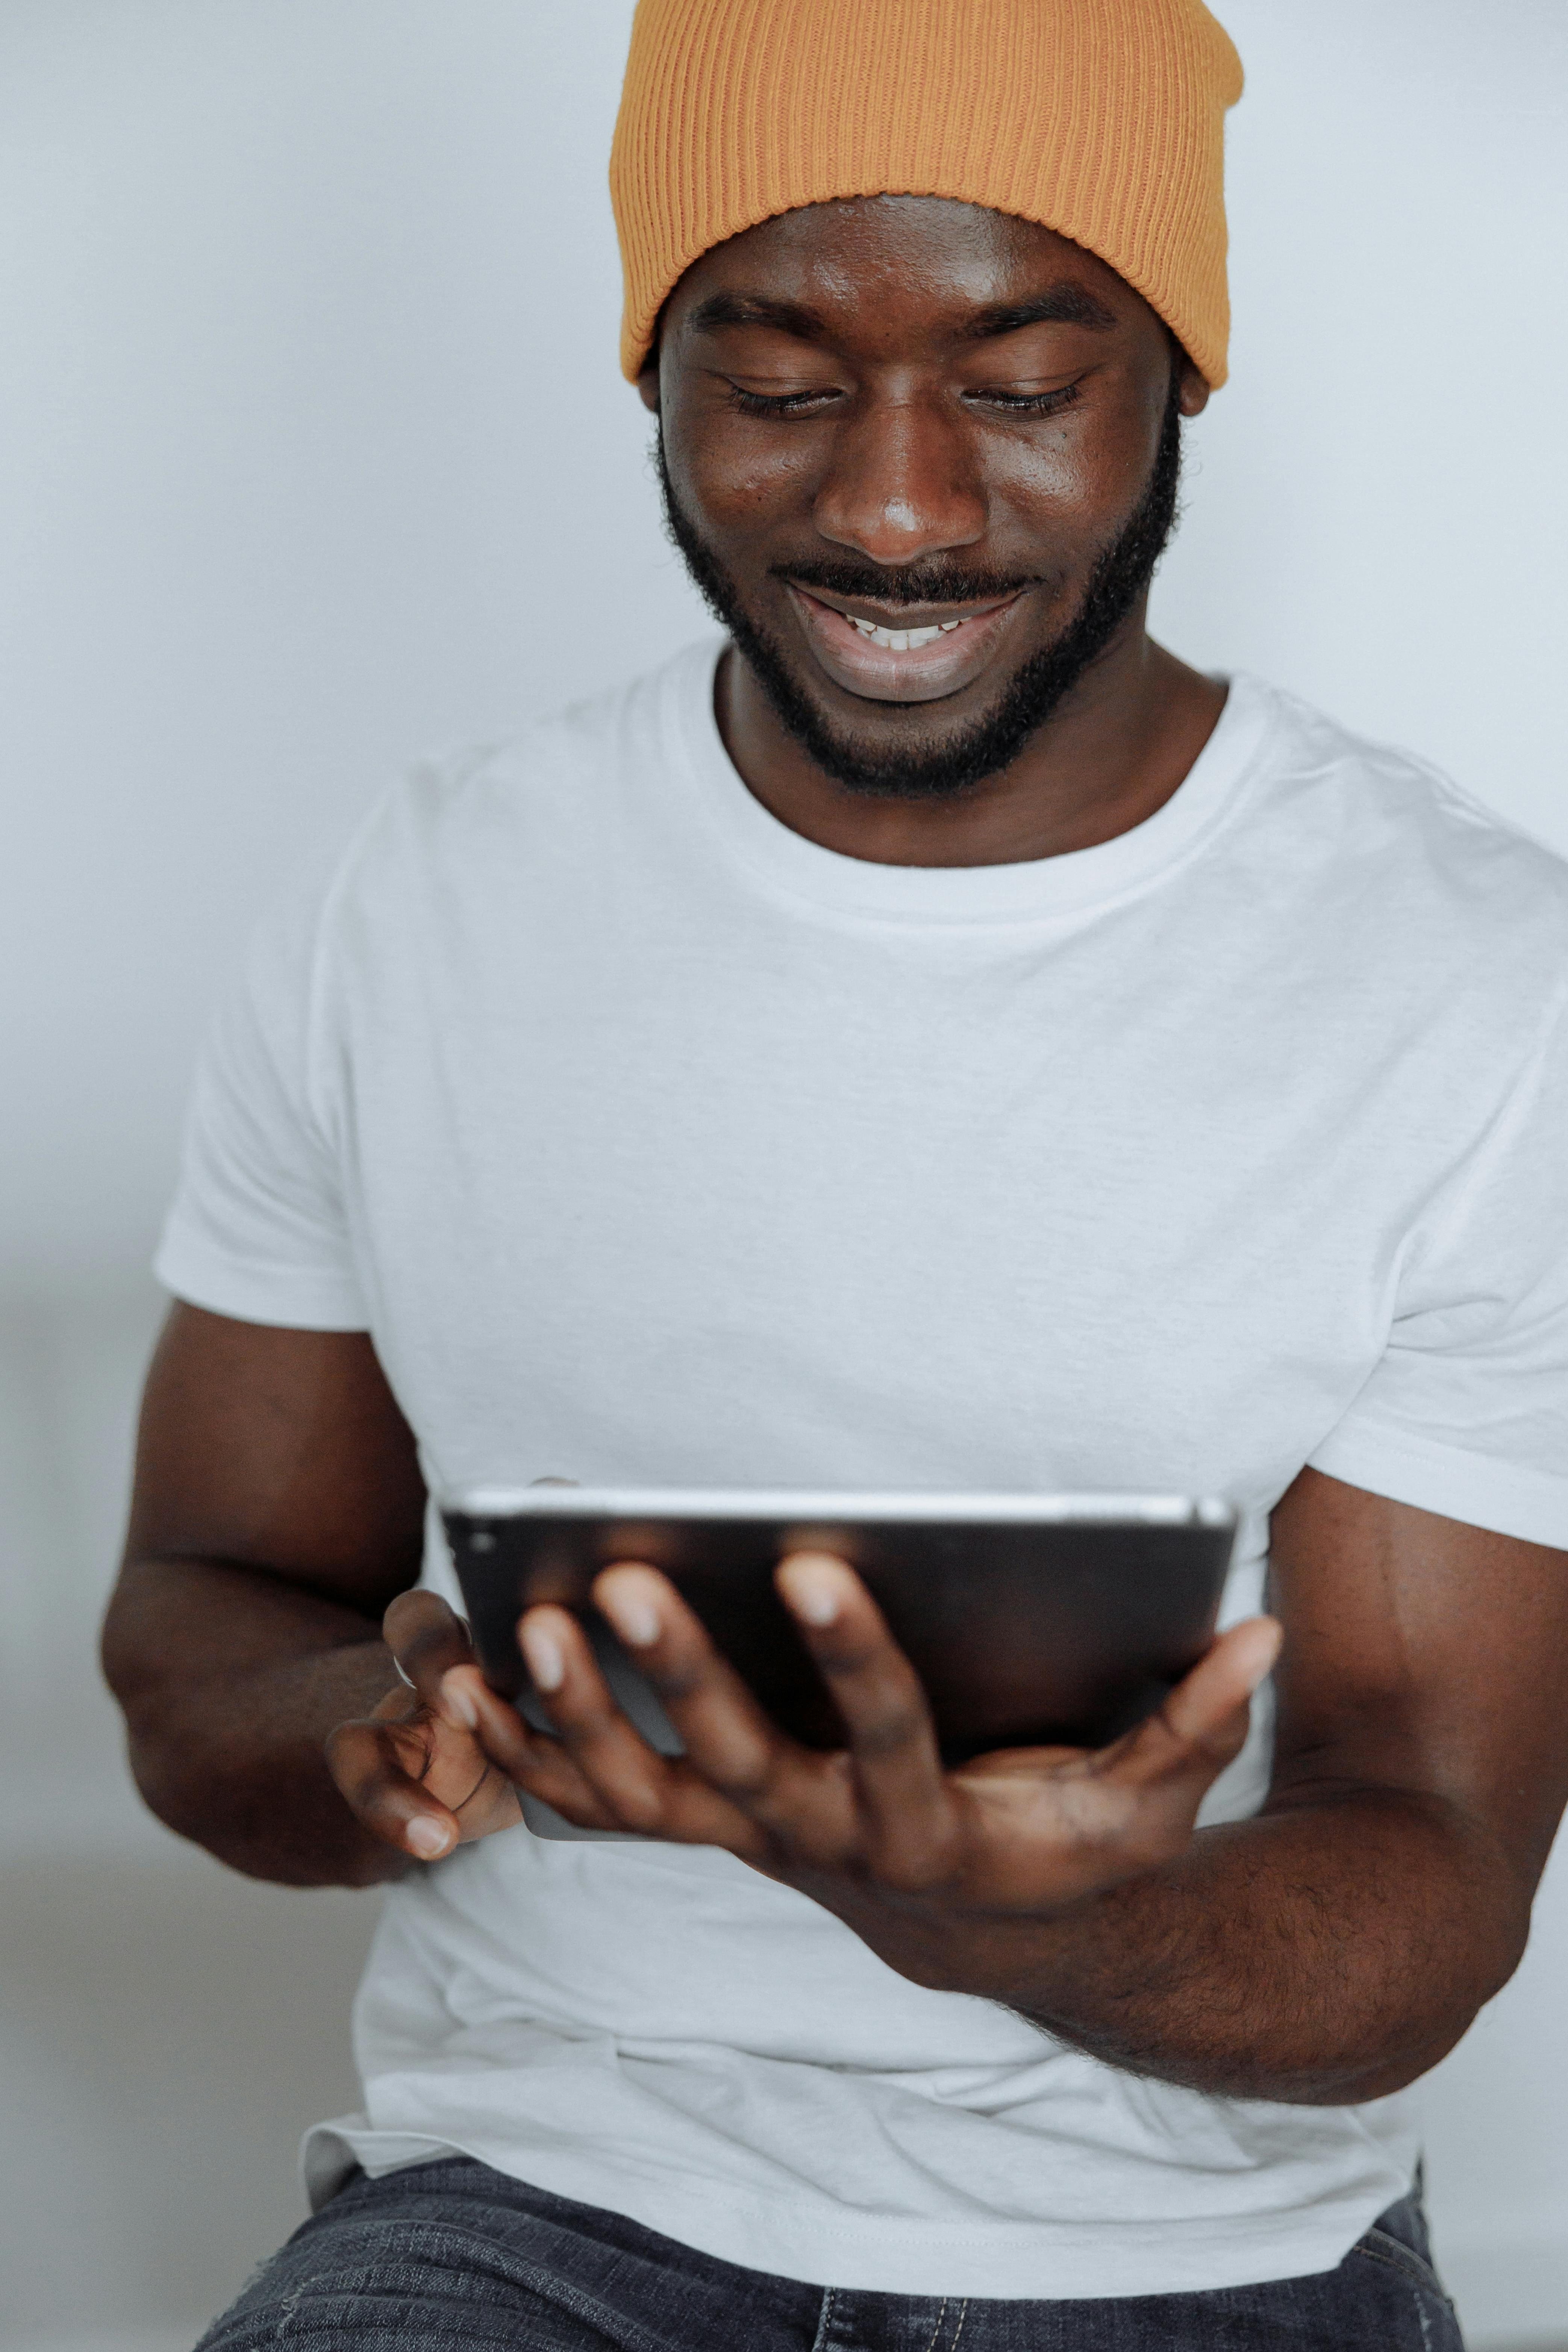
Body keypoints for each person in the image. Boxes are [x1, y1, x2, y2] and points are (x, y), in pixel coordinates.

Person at [102, 1, 1568, 2345]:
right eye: (776, 382)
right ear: (649, 372)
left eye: (1016, 383)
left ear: (1179, 371)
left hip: (1188, 2256)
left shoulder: (1475, 983)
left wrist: (1013, 1918)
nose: (893, 508)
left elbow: (1433, 1879)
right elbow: (201, 1609)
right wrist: (366, 1736)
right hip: (539, 2207)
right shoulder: (414, 903)